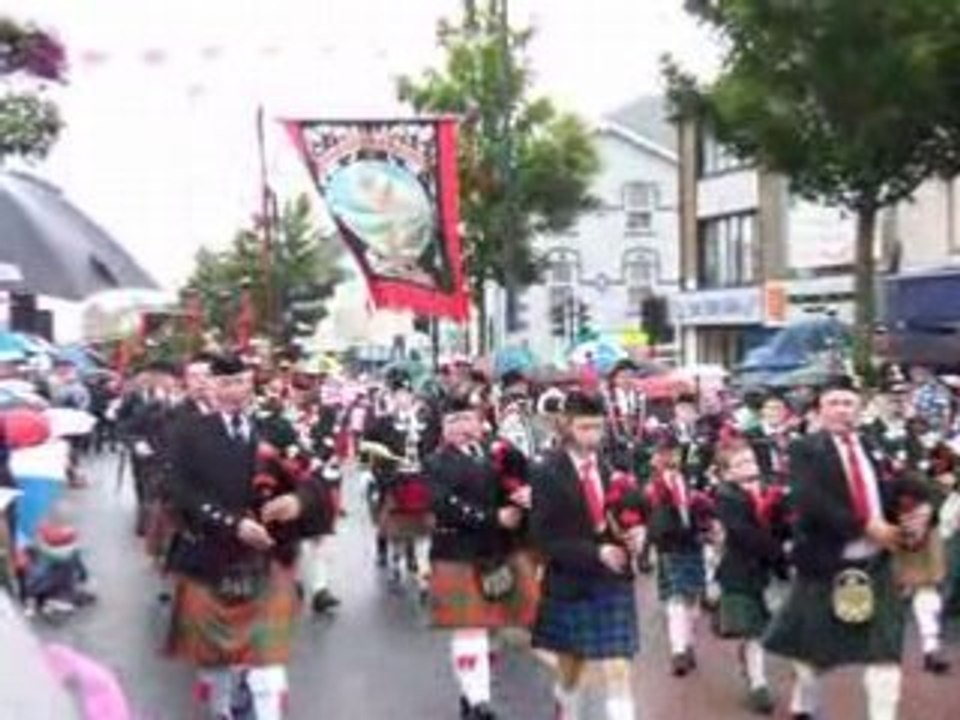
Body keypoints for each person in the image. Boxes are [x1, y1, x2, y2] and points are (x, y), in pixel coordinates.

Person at [166, 354, 329, 720]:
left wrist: (297, 500)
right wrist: (232, 524)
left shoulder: (277, 429)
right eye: (225, 383)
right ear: (212, 387)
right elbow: (178, 492)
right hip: (212, 556)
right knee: (218, 665)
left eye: (240, 382)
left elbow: (316, 479)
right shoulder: (190, 433)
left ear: (251, 383)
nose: (234, 391)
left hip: (269, 558)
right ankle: (222, 710)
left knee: (268, 666)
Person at [764, 375, 935, 720]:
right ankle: (806, 702)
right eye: (834, 403)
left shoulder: (873, 444)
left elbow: (903, 480)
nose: (843, 410)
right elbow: (812, 501)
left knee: (885, 654)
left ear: (859, 408)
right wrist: (869, 526)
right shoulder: (804, 449)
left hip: (877, 565)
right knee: (813, 658)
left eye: (849, 403)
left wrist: (924, 507)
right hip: (827, 564)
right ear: (820, 410)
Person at [530, 391, 646, 720]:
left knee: (618, 668)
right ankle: (566, 707)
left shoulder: (615, 466)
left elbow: (635, 512)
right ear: (566, 426)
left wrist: (641, 534)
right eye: (584, 428)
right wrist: (597, 552)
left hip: (612, 582)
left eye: (597, 427)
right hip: (570, 582)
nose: (593, 436)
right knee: (571, 670)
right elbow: (544, 537)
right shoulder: (546, 471)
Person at [426, 393, 539, 719]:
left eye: (466, 419)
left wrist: (523, 498)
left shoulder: (497, 454)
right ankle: (479, 701)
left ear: (479, 421)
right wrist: (493, 518)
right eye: (452, 421)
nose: (461, 426)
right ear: (443, 428)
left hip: (493, 553)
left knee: (493, 629)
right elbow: (443, 503)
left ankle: (470, 692)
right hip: (455, 553)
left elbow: (520, 481)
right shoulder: (436, 462)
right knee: (469, 627)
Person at [713, 438, 789, 714]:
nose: (749, 466)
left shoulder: (771, 490)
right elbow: (743, 533)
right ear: (727, 472)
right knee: (753, 631)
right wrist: (779, 550)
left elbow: (784, 523)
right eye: (740, 463)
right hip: (740, 571)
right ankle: (758, 684)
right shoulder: (726, 496)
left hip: (770, 571)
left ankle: (756, 669)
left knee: (769, 630)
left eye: (751, 461)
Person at [645, 436, 709, 676]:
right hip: (670, 545)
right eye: (661, 453)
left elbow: (694, 507)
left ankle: (687, 643)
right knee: (676, 599)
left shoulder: (686, 479)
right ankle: (679, 650)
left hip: (689, 543)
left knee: (691, 600)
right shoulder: (655, 483)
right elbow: (652, 513)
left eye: (670, 453)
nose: (665, 458)